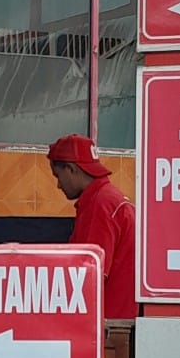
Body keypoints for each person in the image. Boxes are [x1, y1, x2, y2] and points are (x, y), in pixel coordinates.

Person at [46, 133, 138, 319]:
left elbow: (90, 276)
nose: (58, 185)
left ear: (71, 169)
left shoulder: (100, 204)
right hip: (118, 320)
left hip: (107, 323)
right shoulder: (110, 198)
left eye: (58, 176)